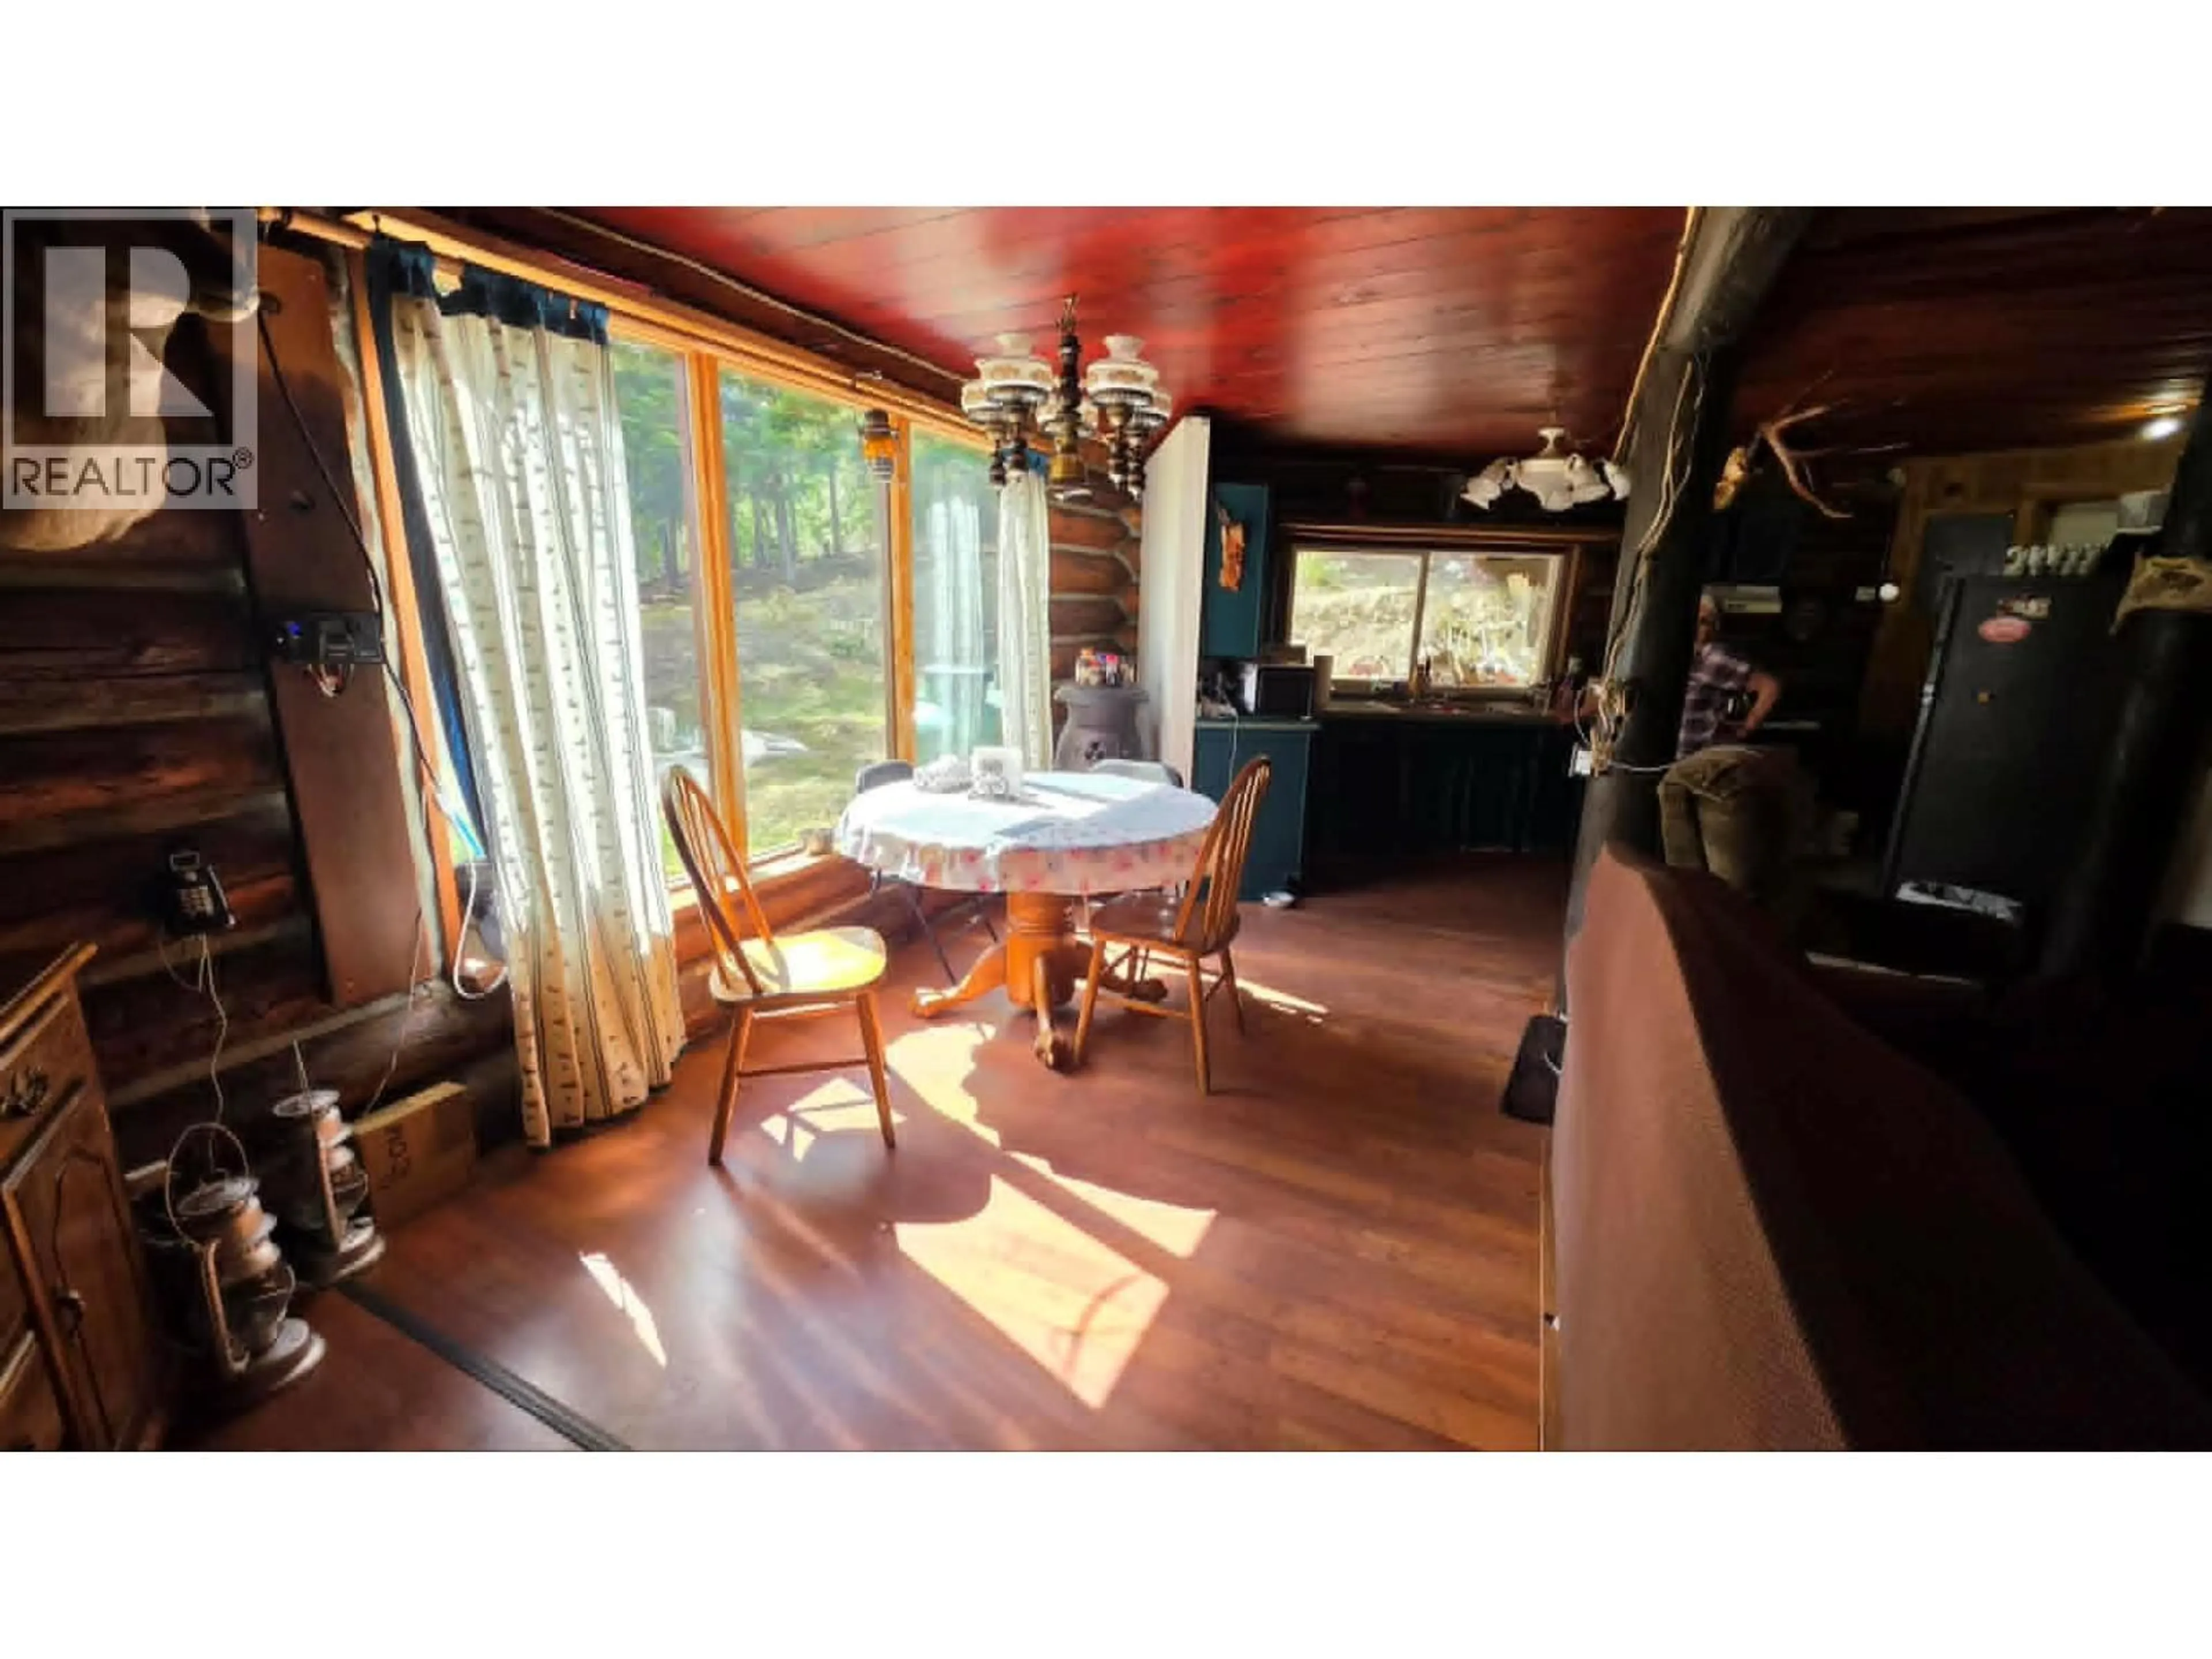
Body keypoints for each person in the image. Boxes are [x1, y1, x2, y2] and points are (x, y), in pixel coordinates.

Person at [1676, 593, 1781, 757]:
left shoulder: (1713, 658)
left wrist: (1748, 726)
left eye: (1704, 622)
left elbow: (1769, 686)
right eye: (1693, 620)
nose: (1697, 627)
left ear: (1715, 628)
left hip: (1694, 764)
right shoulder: (1671, 656)